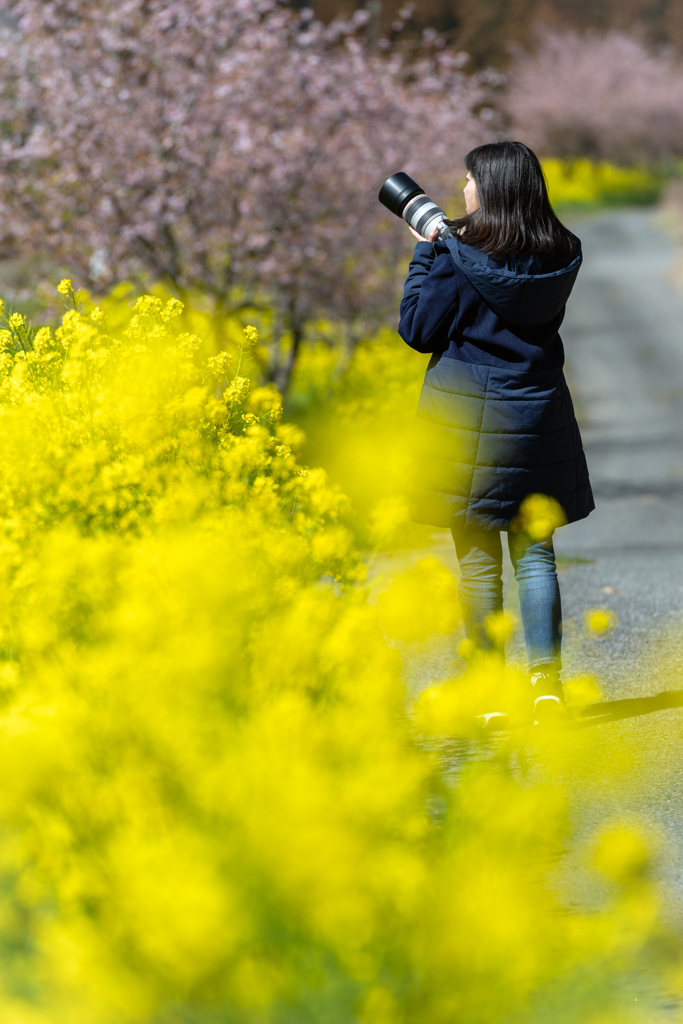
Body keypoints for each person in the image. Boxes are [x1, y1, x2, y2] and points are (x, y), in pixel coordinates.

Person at [398, 140, 594, 725]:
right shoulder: (560, 252)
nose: (462, 190)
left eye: (468, 181)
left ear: (490, 189)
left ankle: (487, 691)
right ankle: (546, 689)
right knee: (536, 557)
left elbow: (418, 329)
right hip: (537, 418)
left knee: (480, 564)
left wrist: (427, 255)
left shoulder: (457, 255)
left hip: (467, 424)